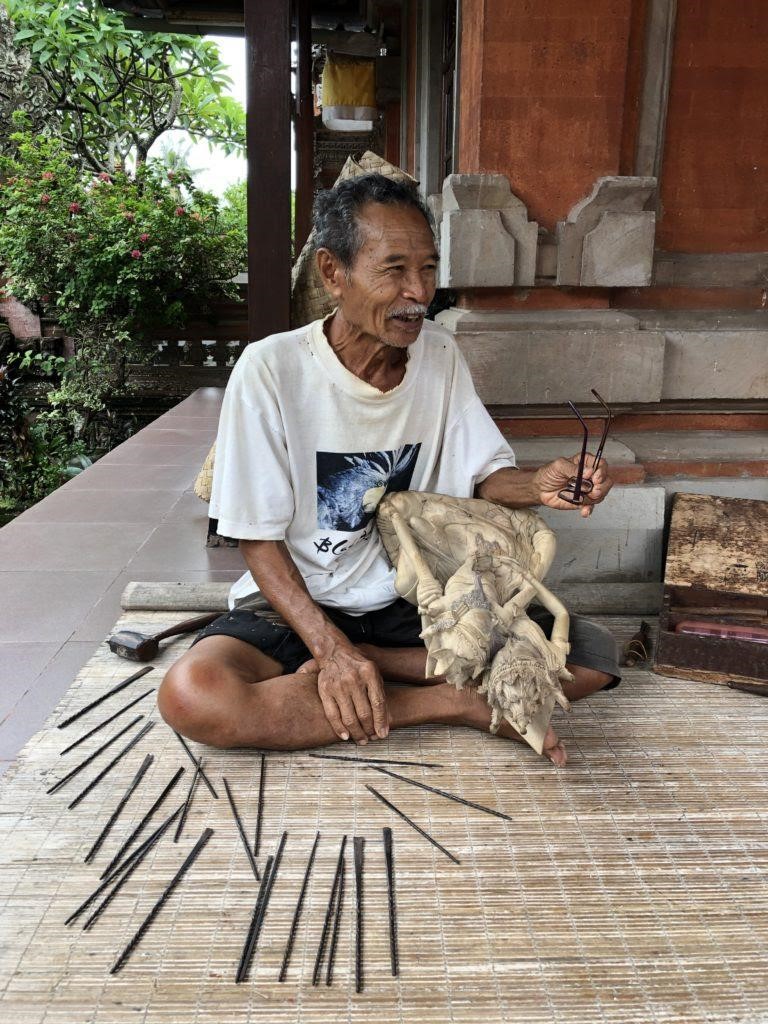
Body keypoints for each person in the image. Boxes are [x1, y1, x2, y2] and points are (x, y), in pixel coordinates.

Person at [158, 174, 620, 766]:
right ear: (332, 273)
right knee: (194, 697)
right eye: (394, 270)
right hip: (300, 602)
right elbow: (256, 537)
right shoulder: (272, 370)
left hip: (416, 602)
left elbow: (480, 478)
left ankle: (373, 676)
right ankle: (453, 703)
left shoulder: (440, 355)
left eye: (428, 269)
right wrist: (329, 648)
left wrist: (540, 484)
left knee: (591, 658)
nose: (418, 292)